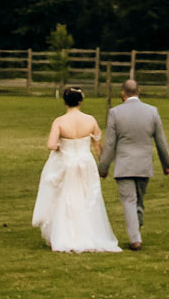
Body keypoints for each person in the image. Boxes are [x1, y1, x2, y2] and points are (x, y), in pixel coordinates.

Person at [30, 85, 121, 254]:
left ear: (65, 102)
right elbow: (97, 145)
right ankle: (88, 232)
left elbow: (51, 144)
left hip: (67, 163)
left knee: (66, 197)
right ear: (80, 101)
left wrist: (60, 146)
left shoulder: (60, 121)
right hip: (86, 162)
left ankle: (66, 234)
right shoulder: (90, 120)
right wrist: (103, 165)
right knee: (86, 197)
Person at [99, 76, 169, 251]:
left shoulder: (115, 112)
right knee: (137, 200)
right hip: (143, 164)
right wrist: (166, 164)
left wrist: (103, 167)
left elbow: (110, 143)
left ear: (123, 94)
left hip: (124, 164)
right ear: (138, 92)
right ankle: (135, 237)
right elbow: (161, 141)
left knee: (130, 201)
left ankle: (135, 234)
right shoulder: (152, 111)